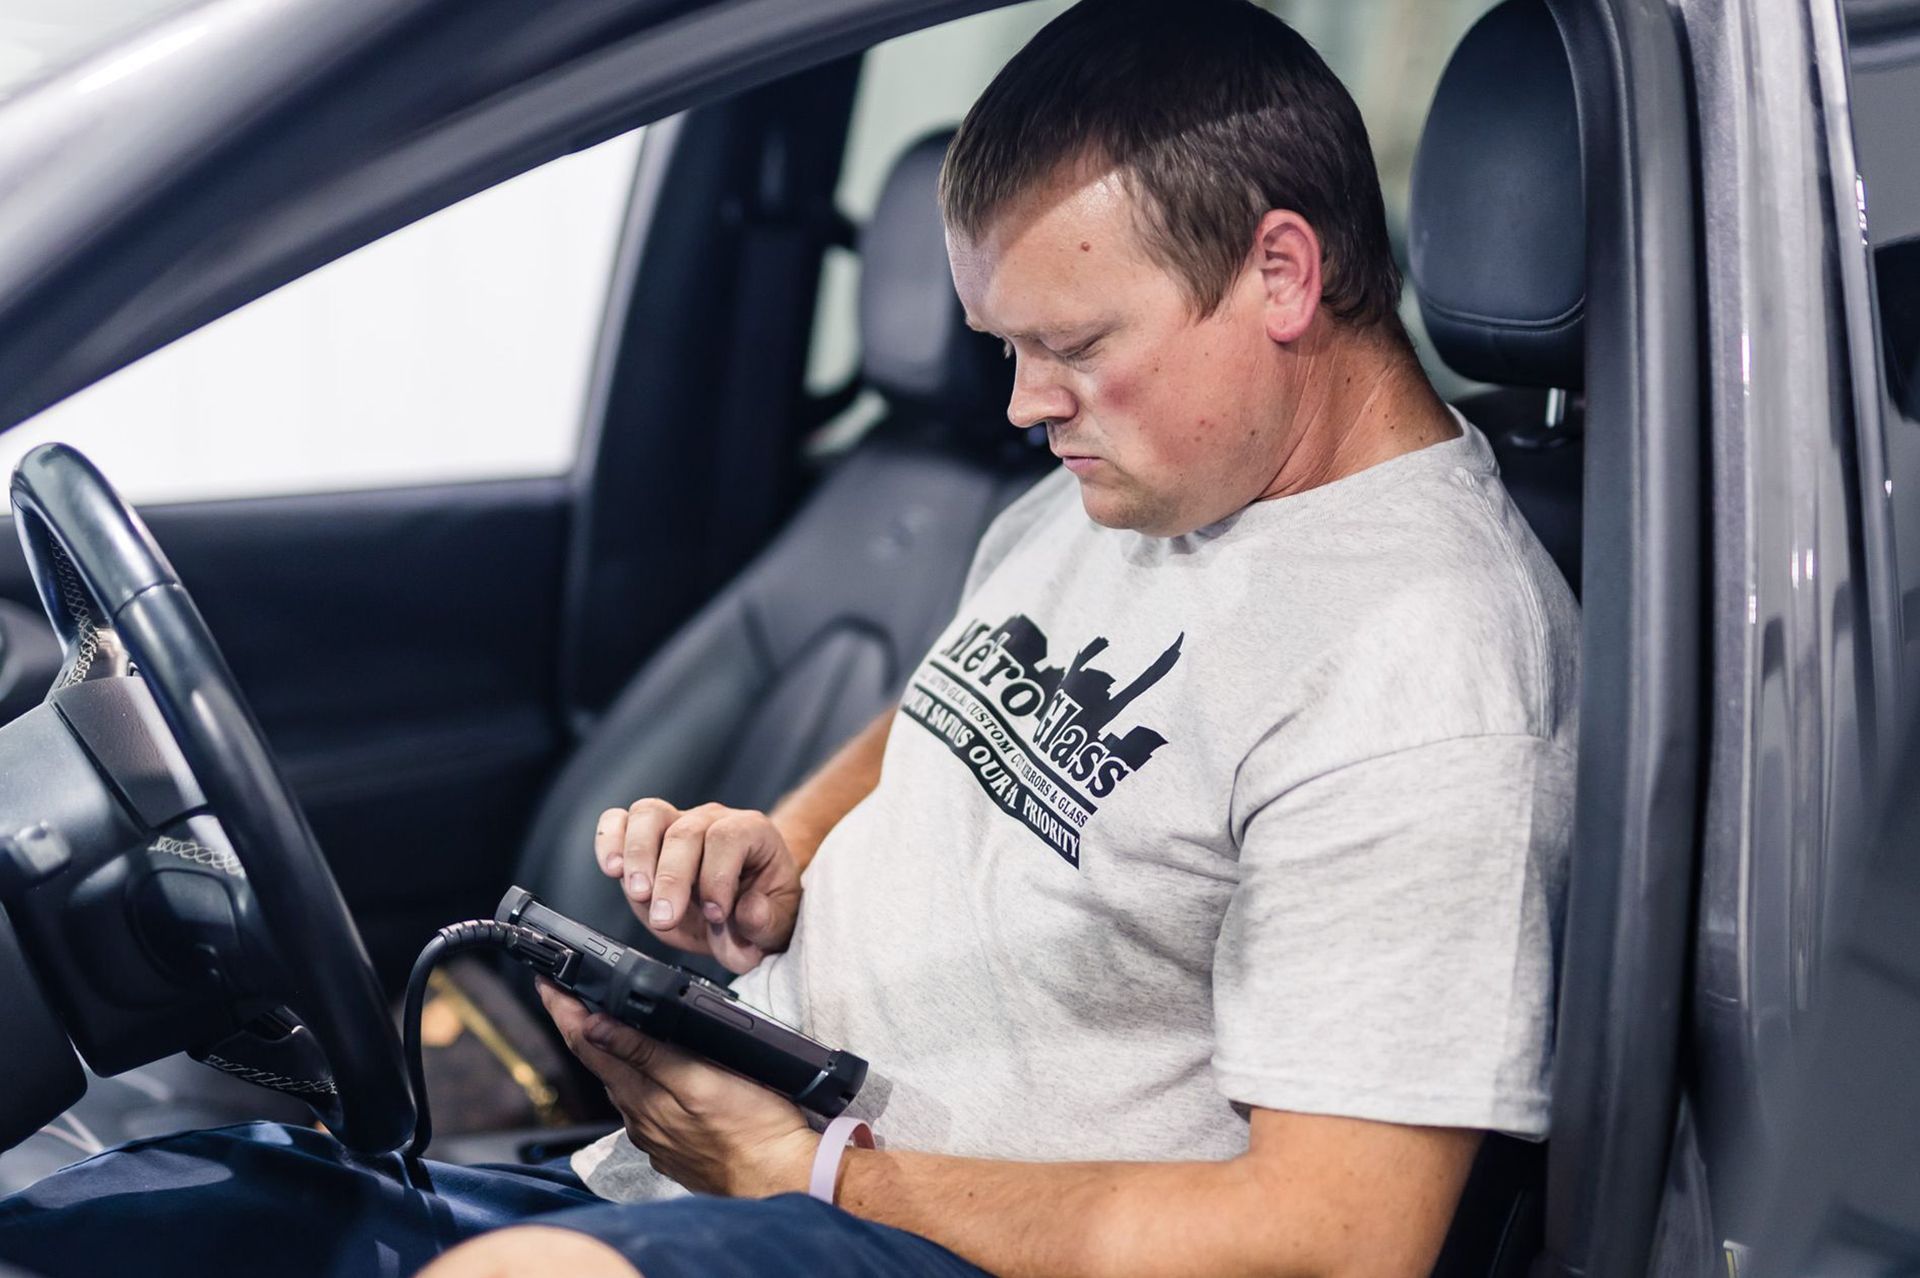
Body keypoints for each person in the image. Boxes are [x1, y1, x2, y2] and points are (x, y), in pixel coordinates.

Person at [0, 1, 1578, 1275]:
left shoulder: (1424, 664)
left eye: (1072, 344)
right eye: (1008, 346)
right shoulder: (1129, 482)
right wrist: (785, 844)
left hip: (946, 1240)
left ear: (1282, 271)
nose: (1023, 403)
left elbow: (1336, 1240)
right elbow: (957, 710)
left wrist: (817, 1167)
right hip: (745, 1173)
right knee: (139, 1216)